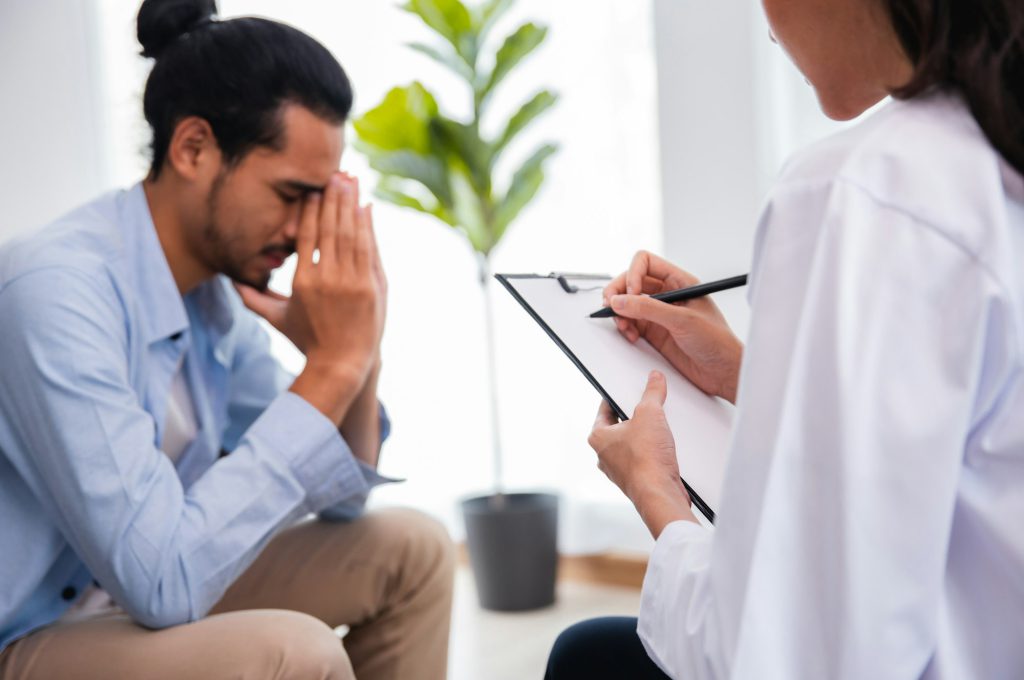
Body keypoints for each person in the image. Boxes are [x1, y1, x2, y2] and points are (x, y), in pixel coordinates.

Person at [547, 0, 1023, 678]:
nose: (767, 26)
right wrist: (753, 374)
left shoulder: (859, 192)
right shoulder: (988, 149)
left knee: (587, 659)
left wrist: (659, 496)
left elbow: (787, 655)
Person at [0, 1, 454, 678]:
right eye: (291, 194)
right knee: (298, 652)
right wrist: (333, 365)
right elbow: (163, 583)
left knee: (415, 547)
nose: (306, 231)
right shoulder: (57, 292)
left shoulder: (213, 296)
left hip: (131, 596)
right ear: (193, 149)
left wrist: (360, 351)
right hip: (34, 627)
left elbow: (343, 500)